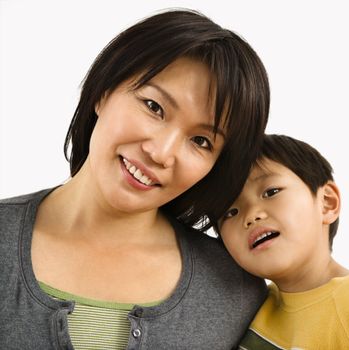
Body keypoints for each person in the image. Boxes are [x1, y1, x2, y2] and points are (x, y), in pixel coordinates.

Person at [0, 9, 270, 349]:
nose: (161, 152)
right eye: (154, 107)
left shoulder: (235, 291)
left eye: (201, 141)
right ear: (103, 90)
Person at [218, 134, 349, 349]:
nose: (250, 215)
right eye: (230, 212)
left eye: (271, 192)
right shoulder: (252, 307)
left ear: (327, 203)